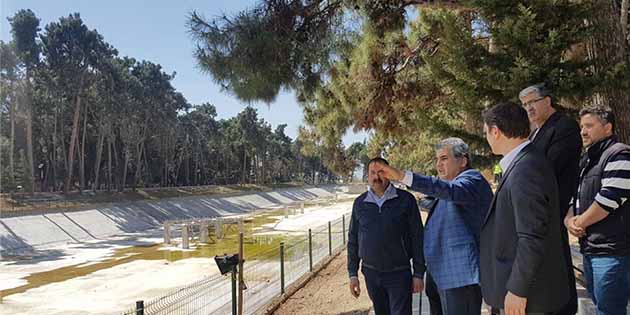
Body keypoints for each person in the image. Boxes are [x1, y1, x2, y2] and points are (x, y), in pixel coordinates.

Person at [373, 138, 493, 315]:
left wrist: (402, 176)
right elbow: (434, 198)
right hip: (440, 276)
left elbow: (448, 191)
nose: (438, 165)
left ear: (463, 161)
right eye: (437, 159)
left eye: (444, 158)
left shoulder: (472, 180)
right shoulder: (451, 187)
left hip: (460, 278)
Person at [481, 102, 570, 314]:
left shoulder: (526, 168)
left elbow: (532, 236)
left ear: (496, 131)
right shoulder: (523, 163)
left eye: (486, 133)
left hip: (530, 297)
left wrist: (517, 290)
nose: (486, 138)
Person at [519, 83, 581, 315]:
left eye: (532, 102)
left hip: (552, 211)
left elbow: (547, 168)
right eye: (524, 105)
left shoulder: (564, 127)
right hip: (538, 214)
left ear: (547, 101)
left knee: (558, 278)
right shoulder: (535, 132)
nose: (528, 109)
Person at [565, 104, 630, 314]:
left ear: (608, 128)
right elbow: (574, 196)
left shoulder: (619, 155)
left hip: (614, 252)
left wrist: (580, 222)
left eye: (589, 126)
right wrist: (569, 221)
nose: (583, 131)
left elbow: (609, 198)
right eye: (582, 126)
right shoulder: (588, 160)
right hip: (591, 248)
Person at [347, 157, 425, 315]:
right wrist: (353, 274)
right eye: (373, 173)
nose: (377, 177)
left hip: (399, 273)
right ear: (367, 176)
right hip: (371, 274)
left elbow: (418, 237)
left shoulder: (406, 200)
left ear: (389, 174)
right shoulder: (359, 203)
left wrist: (418, 273)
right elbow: (353, 239)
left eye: (381, 172)